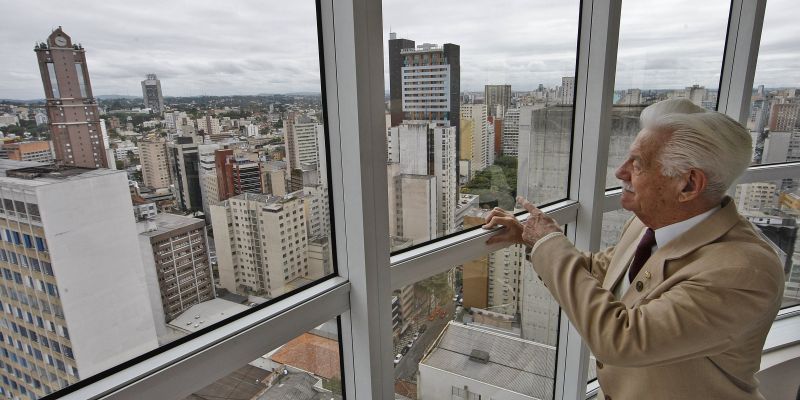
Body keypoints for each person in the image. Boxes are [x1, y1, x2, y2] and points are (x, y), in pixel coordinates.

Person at [483, 99, 784, 400]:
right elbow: (602, 273)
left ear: (689, 185)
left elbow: (622, 339)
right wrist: (531, 237)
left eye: (638, 164)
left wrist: (550, 243)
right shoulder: (647, 225)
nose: (620, 172)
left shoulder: (744, 272)